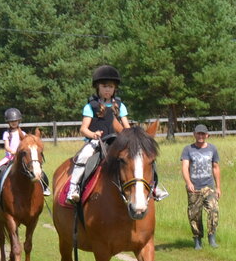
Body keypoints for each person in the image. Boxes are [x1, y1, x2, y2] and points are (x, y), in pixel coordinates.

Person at [64, 65, 167, 204]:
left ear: (114, 89)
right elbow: (83, 129)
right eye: (104, 86)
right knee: (83, 156)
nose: (107, 89)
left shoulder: (120, 106)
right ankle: (74, 187)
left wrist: (133, 139)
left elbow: (126, 126)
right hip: (97, 142)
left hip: (117, 142)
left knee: (141, 157)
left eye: (111, 87)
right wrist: (93, 134)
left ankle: (154, 187)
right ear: (98, 87)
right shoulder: (90, 106)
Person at [0, 107, 48, 199]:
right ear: (8, 122)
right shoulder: (6, 134)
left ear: (19, 121)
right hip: (9, 157)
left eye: (16, 120)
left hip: (20, 157)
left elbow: (26, 145)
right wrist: (12, 151)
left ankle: (44, 186)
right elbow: (6, 146)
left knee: (37, 169)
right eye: (12, 121)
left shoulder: (23, 133)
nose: (14, 122)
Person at [180, 124, 222, 248]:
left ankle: (212, 238)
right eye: (198, 133)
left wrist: (218, 187)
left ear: (207, 135)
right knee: (194, 215)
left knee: (214, 211)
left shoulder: (212, 149)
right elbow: (185, 167)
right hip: (194, 188)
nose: (201, 136)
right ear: (194, 134)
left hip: (209, 187)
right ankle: (197, 240)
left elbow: (215, 168)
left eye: (203, 134)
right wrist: (188, 183)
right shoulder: (188, 149)